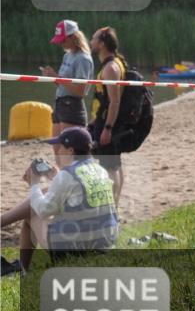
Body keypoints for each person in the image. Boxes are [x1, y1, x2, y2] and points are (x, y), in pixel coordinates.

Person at [0, 127, 118, 273]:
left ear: (71, 151)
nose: (57, 151)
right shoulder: (100, 170)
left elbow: (43, 210)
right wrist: (56, 177)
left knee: (31, 214)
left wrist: (34, 183)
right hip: (104, 244)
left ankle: (23, 270)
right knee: (44, 194)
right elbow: (78, 197)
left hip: (77, 250)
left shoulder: (67, 175)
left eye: (60, 147)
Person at [88, 27, 127, 205]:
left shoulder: (111, 67)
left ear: (102, 44)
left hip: (108, 123)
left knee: (110, 168)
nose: (91, 42)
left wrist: (108, 128)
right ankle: (114, 206)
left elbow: (115, 101)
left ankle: (112, 206)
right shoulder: (113, 63)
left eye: (94, 39)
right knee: (115, 165)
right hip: (105, 122)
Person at [41, 19, 93, 142]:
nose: (60, 43)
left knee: (69, 152)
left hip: (72, 107)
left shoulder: (83, 58)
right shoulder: (67, 55)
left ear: (73, 37)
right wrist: (52, 77)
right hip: (60, 104)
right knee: (57, 150)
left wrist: (57, 77)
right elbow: (62, 85)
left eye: (63, 40)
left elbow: (81, 91)